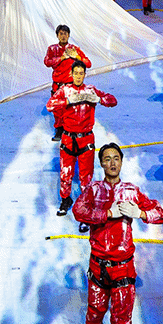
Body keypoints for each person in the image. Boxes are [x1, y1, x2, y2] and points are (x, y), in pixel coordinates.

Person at [72, 142, 163, 324]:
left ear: (122, 162)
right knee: (94, 311)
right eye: (107, 159)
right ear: (101, 163)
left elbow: (160, 213)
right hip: (98, 265)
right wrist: (107, 213)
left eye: (116, 158)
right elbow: (78, 211)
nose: (112, 163)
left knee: (121, 321)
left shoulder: (131, 191)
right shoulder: (93, 190)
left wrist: (141, 212)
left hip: (123, 268)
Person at [48, 62, 118, 220]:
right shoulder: (65, 90)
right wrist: (67, 101)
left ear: (85, 75)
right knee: (66, 174)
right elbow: (50, 105)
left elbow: (113, 100)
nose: (78, 76)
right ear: (71, 74)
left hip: (86, 140)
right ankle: (65, 200)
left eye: (81, 73)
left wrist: (98, 99)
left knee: (86, 177)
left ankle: (86, 205)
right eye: (76, 73)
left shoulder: (90, 90)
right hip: (68, 138)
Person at [44, 24, 91, 144]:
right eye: (61, 33)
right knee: (58, 109)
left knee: (72, 109)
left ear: (69, 35)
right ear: (57, 35)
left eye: (65, 33)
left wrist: (77, 57)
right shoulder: (52, 49)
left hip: (71, 86)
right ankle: (59, 130)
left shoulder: (74, 49)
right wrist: (62, 58)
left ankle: (73, 131)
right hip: (57, 85)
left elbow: (88, 63)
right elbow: (47, 62)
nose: (63, 36)